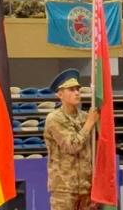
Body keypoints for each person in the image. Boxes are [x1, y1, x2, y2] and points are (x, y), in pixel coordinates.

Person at [42, 69, 99, 210]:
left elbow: (95, 149)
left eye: (78, 89)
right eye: (71, 90)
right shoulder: (55, 119)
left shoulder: (85, 116)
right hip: (64, 189)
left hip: (86, 187)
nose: (77, 93)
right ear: (60, 94)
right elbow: (71, 146)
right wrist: (89, 124)